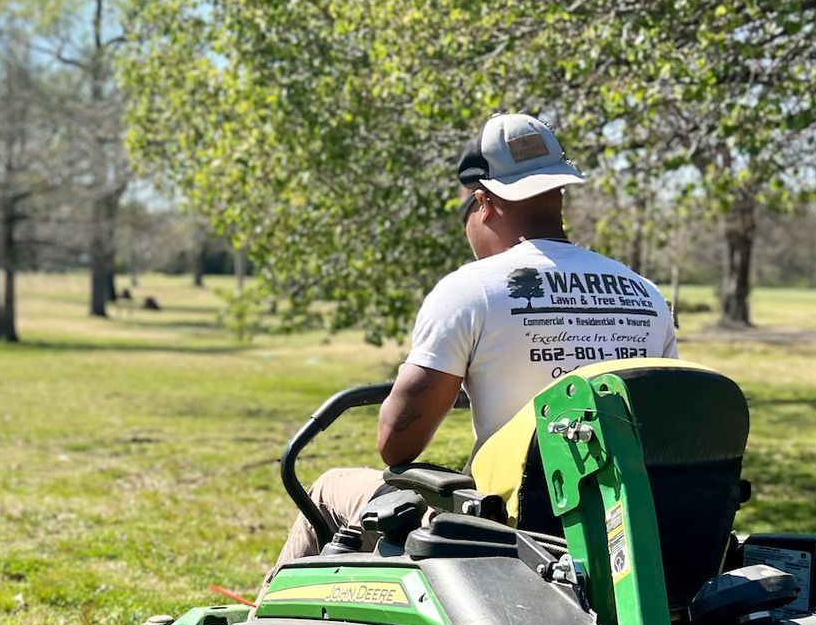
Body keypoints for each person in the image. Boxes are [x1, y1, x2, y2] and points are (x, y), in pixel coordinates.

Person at [270, 112, 678, 571]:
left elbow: (397, 445)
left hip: (514, 531)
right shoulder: (645, 294)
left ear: (483, 201)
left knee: (328, 487)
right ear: (558, 192)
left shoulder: (471, 291)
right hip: (628, 523)